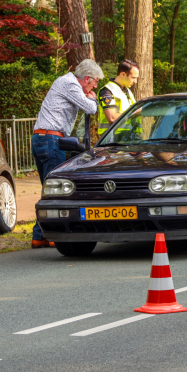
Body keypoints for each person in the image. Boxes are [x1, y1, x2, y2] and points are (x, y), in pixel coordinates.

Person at [31, 59, 103, 248]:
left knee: (50, 190)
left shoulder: (65, 82)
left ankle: (40, 235)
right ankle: (53, 234)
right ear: (87, 78)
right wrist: (93, 99)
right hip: (51, 140)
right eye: (95, 82)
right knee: (57, 190)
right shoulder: (70, 84)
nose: (95, 86)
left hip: (43, 139)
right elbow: (91, 108)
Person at [98, 59, 140, 136]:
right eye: (133, 78)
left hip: (130, 138)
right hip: (113, 140)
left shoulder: (128, 91)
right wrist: (135, 112)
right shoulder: (107, 91)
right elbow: (112, 118)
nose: (135, 81)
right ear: (123, 74)